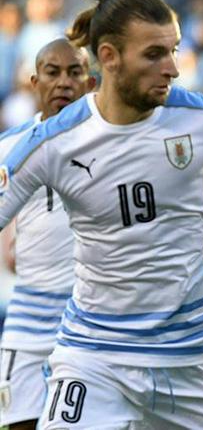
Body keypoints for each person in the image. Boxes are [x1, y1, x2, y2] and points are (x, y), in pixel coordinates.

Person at [0, 0, 203, 429]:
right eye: (154, 54)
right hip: (93, 356)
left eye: (174, 50)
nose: (172, 68)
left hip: (191, 360)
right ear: (109, 57)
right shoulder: (55, 141)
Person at [0, 38, 94, 430]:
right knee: (18, 423)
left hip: (90, 315)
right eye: (53, 73)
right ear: (35, 83)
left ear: (91, 84)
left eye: (75, 73)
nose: (63, 83)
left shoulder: (112, 143)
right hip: (28, 312)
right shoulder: (9, 147)